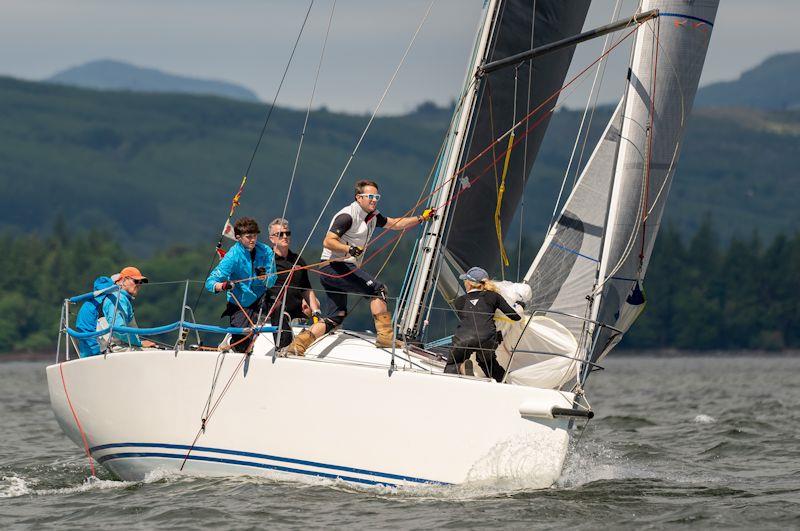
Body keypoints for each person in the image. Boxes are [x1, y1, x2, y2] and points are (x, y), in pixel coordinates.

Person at [318, 179, 435, 347]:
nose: (374, 200)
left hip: (334, 270)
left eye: (376, 196)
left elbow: (395, 223)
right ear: (359, 197)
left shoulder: (372, 216)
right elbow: (328, 241)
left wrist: (421, 218)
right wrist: (349, 249)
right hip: (334, 266)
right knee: (378, 290)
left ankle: (297, 346)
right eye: (370, 196)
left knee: (335, 318)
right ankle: (386, 338)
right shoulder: (347, 216)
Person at [205, 216, 281, 352]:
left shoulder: (266, 251)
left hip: (261, 296)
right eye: (248, 237)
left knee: (279, 307)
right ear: (238, 237)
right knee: (242, 347)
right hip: (240, 302)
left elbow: (272, 281)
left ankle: (282, 347)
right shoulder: (232, 256)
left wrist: (264, 278)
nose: (253, 240)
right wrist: (223, 286)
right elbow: (210, 282)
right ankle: (231, 340)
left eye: (255, 236)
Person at [445, 266, 522, 382]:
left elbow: (471, 319)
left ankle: (459, 368)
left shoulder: (459, 302)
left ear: (469, 283)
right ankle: (505, 384)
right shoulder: (494, 296)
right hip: (487, 338)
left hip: (464, 338)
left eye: (465, 281)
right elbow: (515, 317)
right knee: (488, 362)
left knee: (453, 362)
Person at [266, 218, 327, 356]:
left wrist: (316, 310)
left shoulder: (298, 260)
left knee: (315, 304)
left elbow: (306, 288)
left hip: (298, 310)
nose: (285, 237)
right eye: (280, 234)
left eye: (288, 233)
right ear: (272, 238)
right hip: (275, 310)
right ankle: (284, 346)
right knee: (279, 307)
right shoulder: (266, 260)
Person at [98, 266, 158, 351]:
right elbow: (118, 329)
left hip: (123, 346)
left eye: (141, 282)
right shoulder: (117, 298)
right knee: (158, 353)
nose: (139, 285)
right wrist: (140, 343)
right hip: (118, 348)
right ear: (124, 281)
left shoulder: (121, 297)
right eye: (136, 281)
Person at [75, 275, 115, 357]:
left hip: (94, 352)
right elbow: (86, 331)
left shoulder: (88, 305)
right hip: (96, 354)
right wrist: (98, 353)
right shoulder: (94, 307)